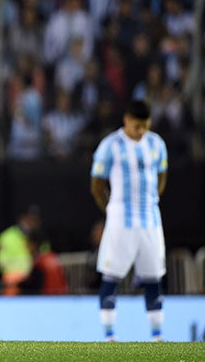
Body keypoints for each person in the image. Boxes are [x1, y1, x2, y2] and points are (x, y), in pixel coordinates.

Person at [90, 99, 168, 342]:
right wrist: (111, 210)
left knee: (153, 276)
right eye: (137, 126)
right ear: (126, 120)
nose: (141, 131)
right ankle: (109, 335)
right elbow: (96, 185)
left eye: (145, 125)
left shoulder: (156, 144)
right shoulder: (110, 146)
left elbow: (162, 175)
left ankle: (157, 336)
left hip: (150, 220)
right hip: (121, 220)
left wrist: (153, 199)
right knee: (111, 275)